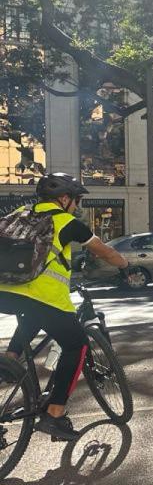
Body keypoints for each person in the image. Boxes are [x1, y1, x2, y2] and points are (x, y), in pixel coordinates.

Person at [0, 173, 131, 441]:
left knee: (33, 317)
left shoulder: (21, 214)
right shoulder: (66, 222)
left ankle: (9, 362)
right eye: (77, 199)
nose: (78, 205)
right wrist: (126, 266)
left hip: (5, 292)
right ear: (63, 198)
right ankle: (55, 415)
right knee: (76, 344)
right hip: (43, 296)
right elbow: (103, 251)